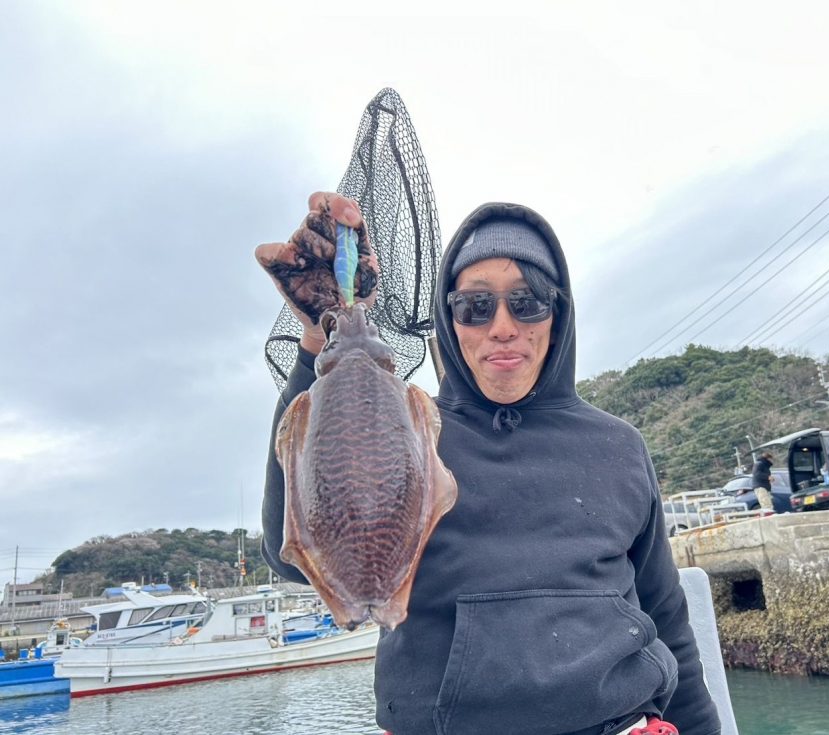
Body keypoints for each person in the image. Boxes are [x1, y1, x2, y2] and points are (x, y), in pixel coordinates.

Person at [257, 192, 722, 735]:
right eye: (475, 306)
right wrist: (320, 337)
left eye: (527, 302)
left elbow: (667, 617)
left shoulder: (619, 445)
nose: (502, 326)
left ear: (557, 314)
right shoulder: (411, 433)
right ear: (450, 320)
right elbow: (294, 555)